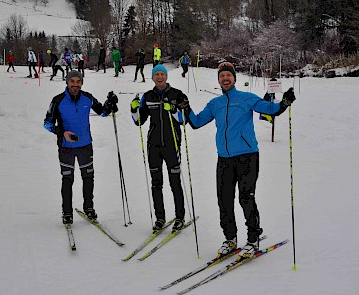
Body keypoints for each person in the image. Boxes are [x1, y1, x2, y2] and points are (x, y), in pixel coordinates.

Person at [175, 62, 296, 259]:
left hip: (247, 157)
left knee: (246, 198)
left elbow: (271, 110)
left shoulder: (247, 98)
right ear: (219, 80)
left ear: (234, 78)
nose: (225, 79)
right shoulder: (215, 104)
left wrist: (284, 103)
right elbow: (196, 122)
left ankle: (253, 239)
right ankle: (230, 238)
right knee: (224, 200)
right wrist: (186, 107)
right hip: (224, 160)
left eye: (228, 76)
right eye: (222, 76)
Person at [43, 71, 118, 224]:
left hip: (85, 146)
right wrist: (62, 133)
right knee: (67, 179)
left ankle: (89, 208)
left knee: (88, 178)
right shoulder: (58, 100)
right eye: (72, 81)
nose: (75, 84)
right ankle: (67, 212)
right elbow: (47, 124)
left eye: (78, 81)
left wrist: (110, 104)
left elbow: (102, 112)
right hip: (66, 147)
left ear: (81, 83)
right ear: (67, 82)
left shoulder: (87, 98)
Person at [130, 64, 186, 233]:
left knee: (175, 183)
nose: (159, 77)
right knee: (156, 184)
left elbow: (184, 119)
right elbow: (138, 121)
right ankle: (160, 217)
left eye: (162, 74)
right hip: (154, 146)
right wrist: (134, 109)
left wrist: (174, 110)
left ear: (166, 77)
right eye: (157, 74)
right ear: (153, 77)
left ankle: (180, 217)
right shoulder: (147, 96)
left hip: (172, 144)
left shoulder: (177, 94)